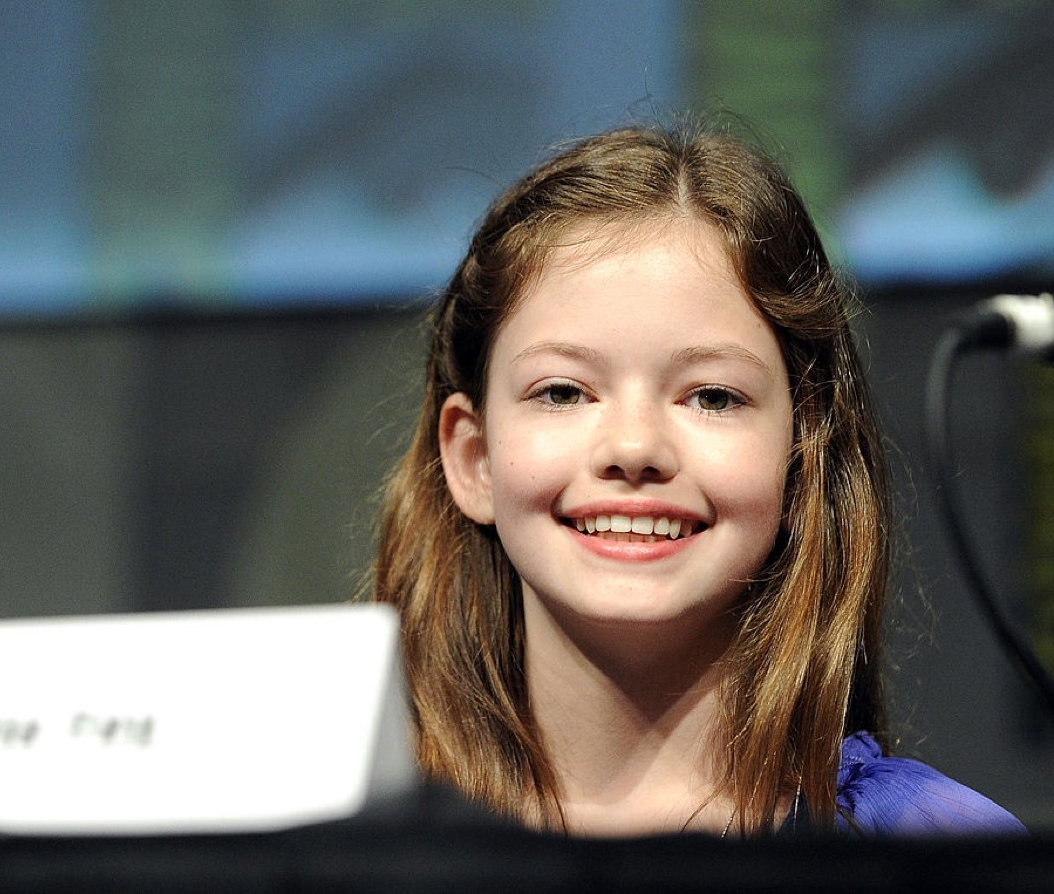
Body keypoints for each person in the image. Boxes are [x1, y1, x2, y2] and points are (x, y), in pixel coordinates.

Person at [367, 119, 1026, 838]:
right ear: (474, 460)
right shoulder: (334, 839)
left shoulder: (934, 849)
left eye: (712, 397)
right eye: (562, 391)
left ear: (802, 459)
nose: (633, 446)